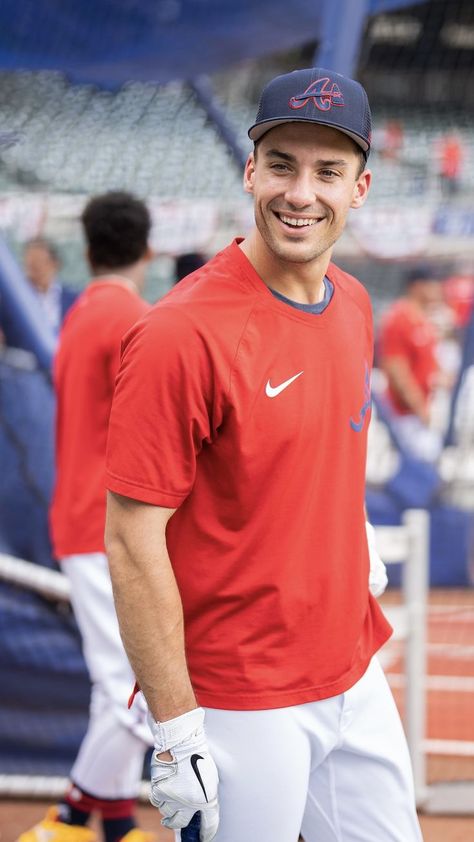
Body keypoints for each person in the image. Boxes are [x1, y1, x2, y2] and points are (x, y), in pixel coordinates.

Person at [104, 69, 423, 842]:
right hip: (240, 697)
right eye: (281, 164)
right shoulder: (179, 334)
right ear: (251, 171)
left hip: (350, 666)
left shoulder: (351, 302)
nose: (300, 192)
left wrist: (352, 553)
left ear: (362, 187)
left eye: (327, 171)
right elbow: (130, 539)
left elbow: (326, 456)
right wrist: (178, 730)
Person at [18, 193, 156, 842]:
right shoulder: (131, 315)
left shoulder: (79, 312)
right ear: (147, 251)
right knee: (140, 690)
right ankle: (69, 818)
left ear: (89, 249)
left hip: (82, 518)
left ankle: (116, 824)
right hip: (113, 526)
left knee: (116, 686)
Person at [378, 263, 446, 462]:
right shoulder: (400, 317)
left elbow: (429, 365)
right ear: (417, 286)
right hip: (405, 414)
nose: (437, 289)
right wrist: (419, 408)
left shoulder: (423, 319)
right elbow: (396, 369)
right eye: (432, 283)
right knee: (420, 467)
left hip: (423, 407)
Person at [0, 238, 77, 348]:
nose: (34, 270)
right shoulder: (13, 303)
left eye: (40, 263)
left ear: (55, 264)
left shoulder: (74, 300)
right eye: (30, 265)